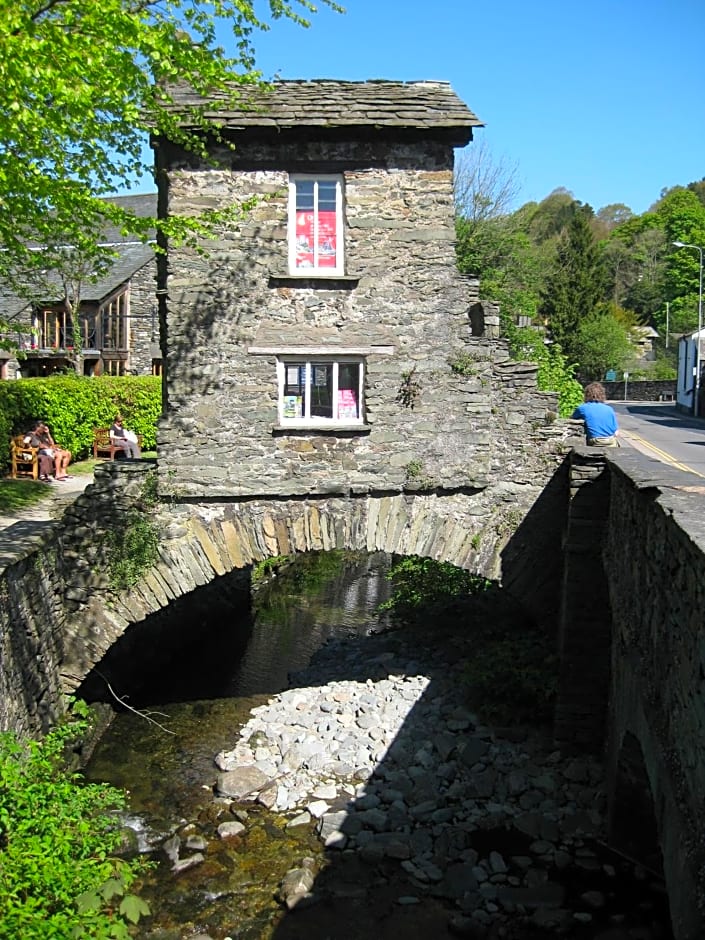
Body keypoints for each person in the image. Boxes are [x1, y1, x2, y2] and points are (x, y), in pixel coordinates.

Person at [572, 382, 620, 446]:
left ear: (587, 395)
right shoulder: (609, 409)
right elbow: (616, 432)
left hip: (595, 441)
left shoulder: (582, 408)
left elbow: (571, 420)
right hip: (610, 441)